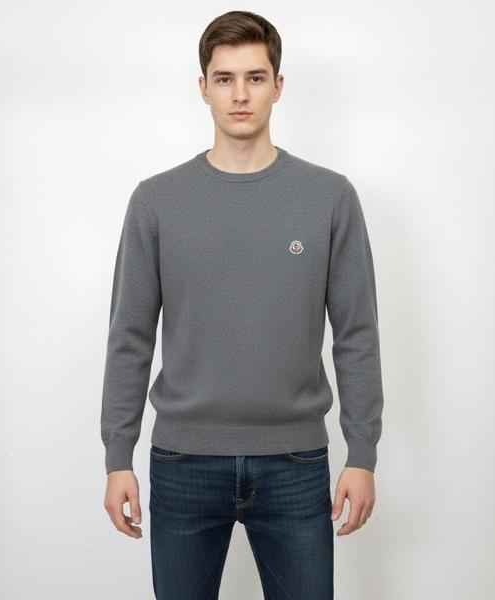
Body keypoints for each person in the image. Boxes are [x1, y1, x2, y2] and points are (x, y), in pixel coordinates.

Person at [100, 10, 384, 599]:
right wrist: (117, 455)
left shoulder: (329, 197)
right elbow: (130, 335)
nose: (239, 95)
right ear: (202, 87)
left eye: (255, 78)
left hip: (295, 461)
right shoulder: (156, 201)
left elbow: (356, 333)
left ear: (278, 86)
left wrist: (362, 454)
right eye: (224, 79)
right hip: (182, 461)